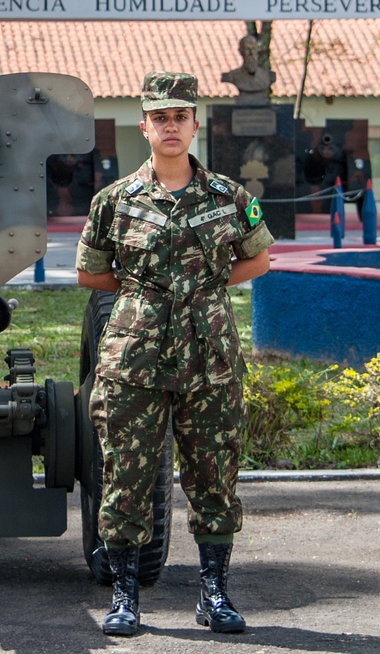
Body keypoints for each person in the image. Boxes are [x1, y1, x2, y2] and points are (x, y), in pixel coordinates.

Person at [75, 71, 273, 637]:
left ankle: (214, 594)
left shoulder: (229, 197)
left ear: (194, 125)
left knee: (214, 475)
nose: (170, 126)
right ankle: (125, 598)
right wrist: (148, 296)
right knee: (127, 477)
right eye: (160, 117)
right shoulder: (114, 202)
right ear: (144, 126)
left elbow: (258, 260)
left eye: (180, 117)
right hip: (134, 359)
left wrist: (202, 287)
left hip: (208, 355)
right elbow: (91, 273)